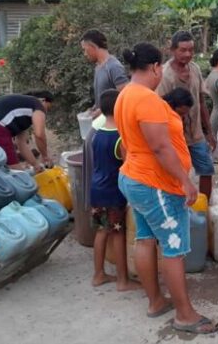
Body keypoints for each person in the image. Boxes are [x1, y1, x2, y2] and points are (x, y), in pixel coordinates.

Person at [115, 42, 218, 335]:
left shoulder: (126, 95)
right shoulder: (146, 99)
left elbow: (127, 143)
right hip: (156, 183)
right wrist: (186, 182)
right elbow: (161, 147)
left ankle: (156, 301)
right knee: (174, 248)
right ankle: (185, 315)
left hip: (136, 177)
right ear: (155, 68)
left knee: (146, 239)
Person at [156, 31, 216, 198]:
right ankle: (179, 206)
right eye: (183, 50)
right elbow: (161, 108)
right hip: (174, 136)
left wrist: (209, 132)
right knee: (176, 173)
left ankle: (205, 206)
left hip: (196, 134)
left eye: (191, 50)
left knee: (206, 169)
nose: (187, 54)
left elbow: (201, 102)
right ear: (173, 50)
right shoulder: (164, 75)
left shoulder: (195, 69)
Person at [89, 89, 130, 291]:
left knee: (101, 230)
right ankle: (123, 280)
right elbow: (128, 167)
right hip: (114, 194)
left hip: (97, 189)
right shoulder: (120, 138)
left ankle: (98, 274)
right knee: (118, 234)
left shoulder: (97, 134)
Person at [0, 91, 54, 172]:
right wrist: (45, 156)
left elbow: (21, 144)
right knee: (17, 173)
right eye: (48, 108)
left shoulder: (21, 112)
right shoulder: (37, 104)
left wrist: (35, 165)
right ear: (43, 100)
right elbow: (39, 134)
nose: (46, 112)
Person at [80, 29, 129, 119]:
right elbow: (102, 98)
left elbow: (124, 97)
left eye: (85, 50)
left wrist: (102, 111)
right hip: (102, 122)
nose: (85, 54)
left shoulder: (114, 67)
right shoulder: (98, 67)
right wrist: (93, 109)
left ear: (93, 46)